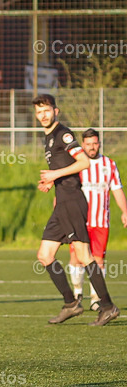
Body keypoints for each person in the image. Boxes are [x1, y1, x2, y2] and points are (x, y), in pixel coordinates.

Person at [33, 95, 118, 326]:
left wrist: (55, 174)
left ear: (56, 111)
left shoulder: (63, 134)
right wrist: (52, 181)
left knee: (84, 256)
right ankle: (71, 304)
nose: (43, 115)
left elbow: (84, 162)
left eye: (46, 110)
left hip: (72, 202)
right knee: (45, 255)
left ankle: (107, 306)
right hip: (62, 203)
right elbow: (65, 166)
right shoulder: (49, 137)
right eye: (39, 112)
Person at [68, 129, 127, 310]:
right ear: (83, 145)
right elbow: (65, 190)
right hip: (78, 219)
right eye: (88, 144)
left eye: (94, 143)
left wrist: (125, 211)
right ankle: (77, 293)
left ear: (99, 143)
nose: (92, 147)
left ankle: (96, 298)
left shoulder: (109, 164)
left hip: (100, 221)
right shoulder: (77, 164)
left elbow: (117, 189)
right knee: (76, 257)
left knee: (98, 259)